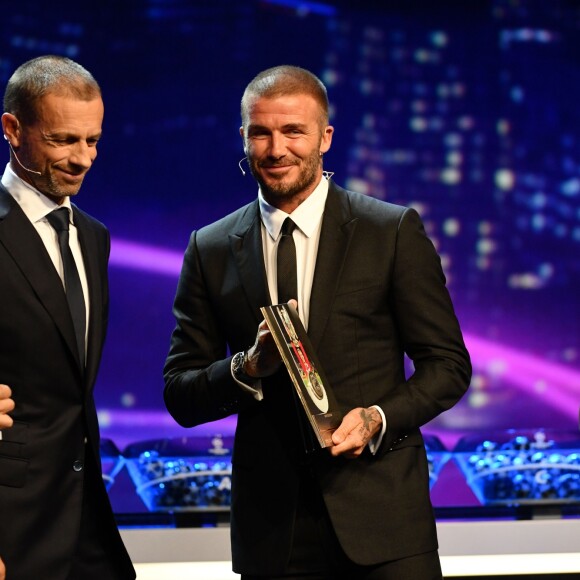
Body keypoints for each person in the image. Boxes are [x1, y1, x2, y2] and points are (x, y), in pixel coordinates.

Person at [164, 65, 471, 579]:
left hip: (385, 523)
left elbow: (448, 366)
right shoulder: (210, 247)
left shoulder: (390, 230)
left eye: (293, 131)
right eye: (261, 132)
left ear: (325, 137)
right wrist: (246, 368)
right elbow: (180, 392)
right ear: (243, 137)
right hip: (273, 533)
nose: (276, 148)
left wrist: (378, 417)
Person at [0, 56, 135, 580]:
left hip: (86, 521)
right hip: (14, 525)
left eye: (93, 140)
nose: (83, 159)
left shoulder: (94, 237)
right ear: (12, 129)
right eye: (63, 140)